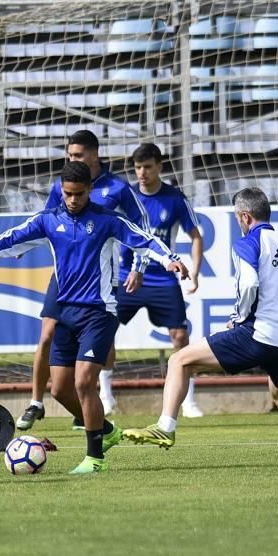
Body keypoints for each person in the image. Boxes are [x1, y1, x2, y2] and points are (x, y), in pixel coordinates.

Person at [0, 162, 188, 474]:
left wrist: (171, 259)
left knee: (84, 382)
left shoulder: (107, 220)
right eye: (67, 194)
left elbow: (144, 238)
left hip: (99, 312)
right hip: (65, 312)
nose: (72, 199)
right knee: (59, 390)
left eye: (79, 194)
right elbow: (12, 237)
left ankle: (95, 458)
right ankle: (106, 431)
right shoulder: (49, 220)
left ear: (89, 191)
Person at [123, 187, 278, 473]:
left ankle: (165, 427)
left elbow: (248, 284)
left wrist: (240, 317)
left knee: (179, 360)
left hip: (257, 333)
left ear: (245, 217)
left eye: (237, 218)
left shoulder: (248, 243)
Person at [16, 130, 149, 430]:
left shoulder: (117, 187)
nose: (73, 160)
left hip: (101, 276)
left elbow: (141, 227)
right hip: (65, 276)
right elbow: (48, 218)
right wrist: (24, 246)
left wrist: (139, 265)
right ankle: (37, 402)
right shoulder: (62, 184)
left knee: (103, 341)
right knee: (47, 334)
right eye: (70, 155)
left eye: (78, 155)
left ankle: (100, 396)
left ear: (94, 154)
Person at [108, 143, 205, 418]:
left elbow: (195, 236)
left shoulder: (174, 198)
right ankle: (105, 396)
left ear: (159, 167)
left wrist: (195, 273)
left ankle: (187, 401)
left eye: (147, 166)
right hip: (127, 277)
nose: (141, 172)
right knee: (104, 329)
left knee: (180, 336)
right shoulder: (124, 197)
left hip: (163, 280)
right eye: (137, 167)